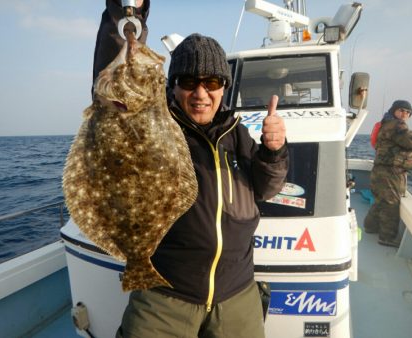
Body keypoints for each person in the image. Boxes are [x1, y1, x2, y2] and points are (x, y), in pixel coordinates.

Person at [93, 3, 289, 338]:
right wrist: (127, 15)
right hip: (164, 295)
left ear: (224, 87)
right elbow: (111, 93)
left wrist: (273, 153)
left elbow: (266, 189)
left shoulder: (235, 132)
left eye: (212, 82)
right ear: (173, 86)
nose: (201, 93)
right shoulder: (151, 126)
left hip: (236, 293)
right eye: (188, 82)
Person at [364, 100, 412, 247]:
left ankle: (370, 226)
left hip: (382, 170)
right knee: (391, 204)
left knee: (382, 200)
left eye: (408, 112)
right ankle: (387, 238)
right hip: (390, 171)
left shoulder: (387, 123)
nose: (404, 114)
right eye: (401, 110)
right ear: (394, 110)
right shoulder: (397, 125)